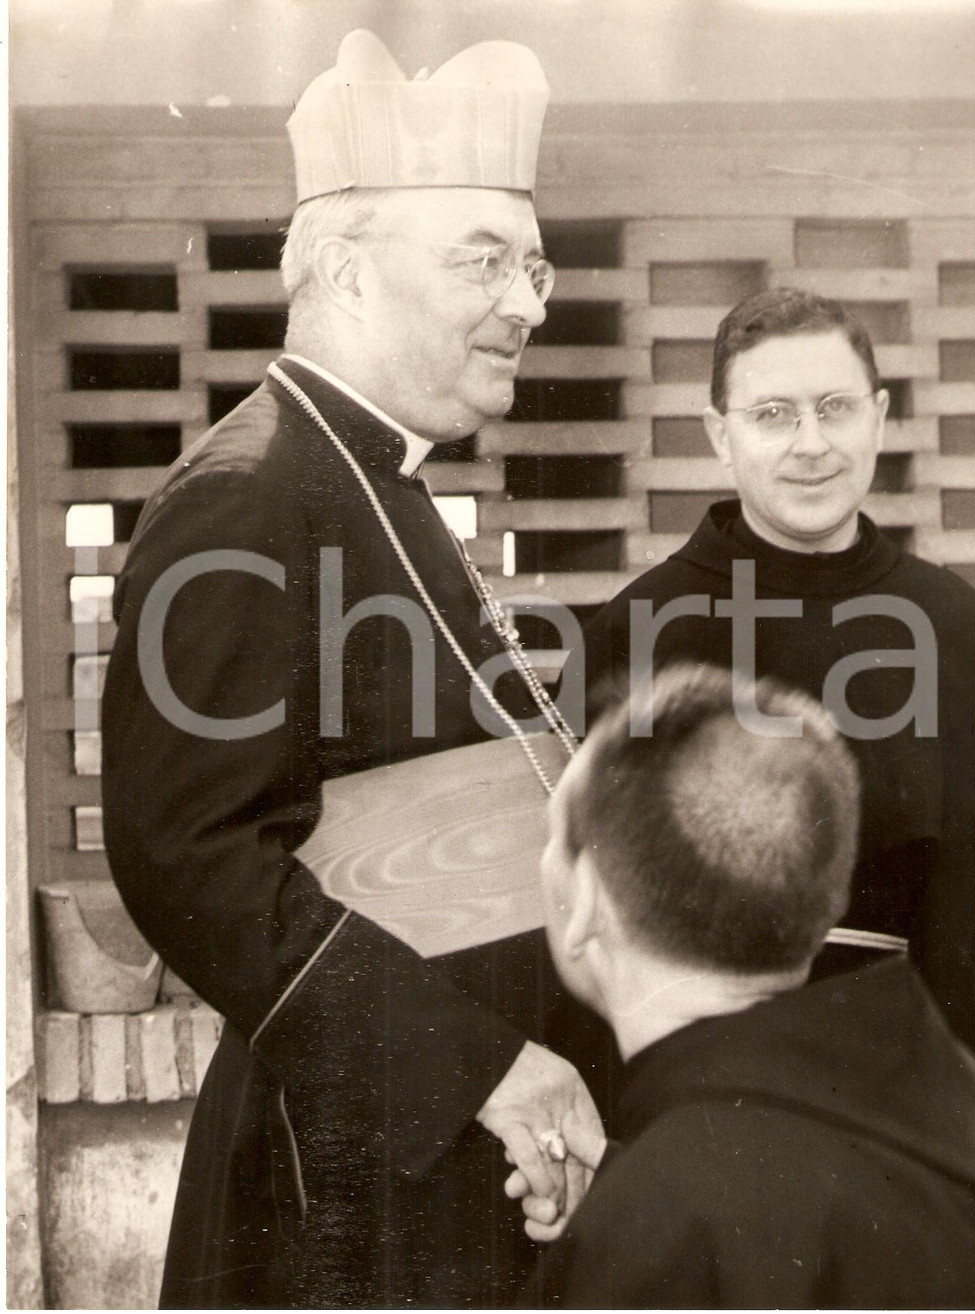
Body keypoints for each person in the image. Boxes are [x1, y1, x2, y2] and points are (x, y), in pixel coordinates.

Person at [101, 30, 610, 1309]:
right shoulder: (246, 494)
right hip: (350, 1172)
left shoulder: (366, 478)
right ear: (343, 267)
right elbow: (189, 860)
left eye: (534, 263)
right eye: (482, 259)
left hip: (440, 1157)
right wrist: (483, 1068)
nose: (529, 302)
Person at [580, 287, 975, 1067]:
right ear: (719, 434)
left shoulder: (965, 633)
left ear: (878, 418)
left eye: (835, 408)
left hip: (918, 1086)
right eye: (773, 415)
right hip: (699, 1086)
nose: (812, 444)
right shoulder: (636, 633)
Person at [517, 663, 975, 1308]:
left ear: (585, 900)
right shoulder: (954, 1103)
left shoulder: (674, 1219)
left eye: (555, 836)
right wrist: (632, 1186)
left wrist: (638, 1227)